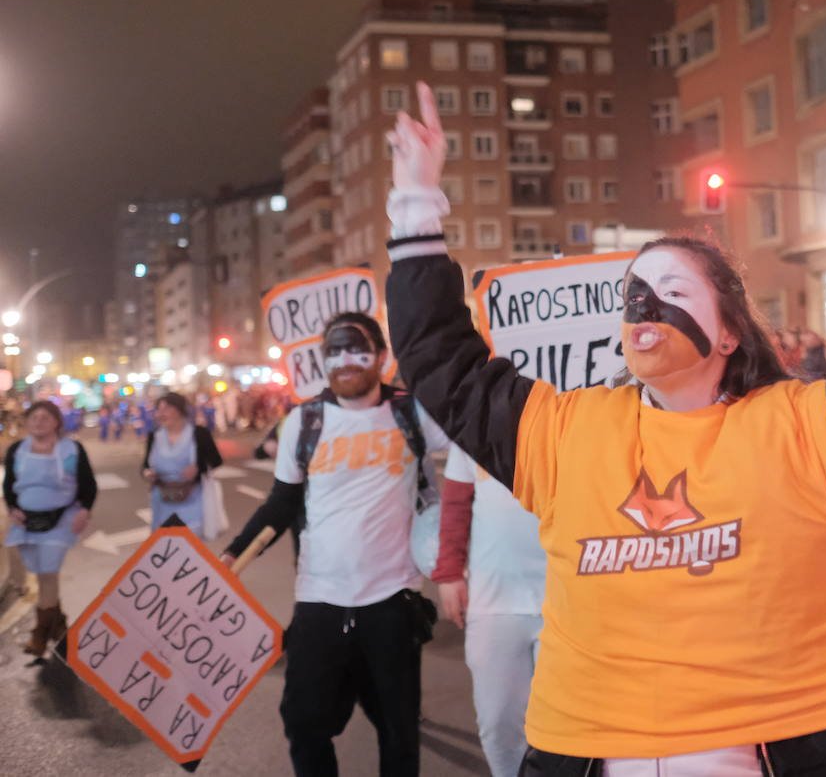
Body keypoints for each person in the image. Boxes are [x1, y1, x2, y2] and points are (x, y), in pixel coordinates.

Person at [382, 12, 826, 775]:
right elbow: (443, 361)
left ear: (729, 333)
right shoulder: (567, 429)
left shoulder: (808, 426)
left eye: (670, 287)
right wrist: (415, 201)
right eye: (632, 291)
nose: (642, 304)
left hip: (786, 750)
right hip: (597, 750)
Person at [221, 312, 452, 777]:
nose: (346, 360)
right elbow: (281, 503)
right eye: (335, 351)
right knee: (304, 723)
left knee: (398, 731)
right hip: (319, 601)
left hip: (391, 601)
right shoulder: (302, 423)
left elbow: (473, 447)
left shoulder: (413, 414)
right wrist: (231, 555)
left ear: (382, 357)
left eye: (357, 348)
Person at [434, 448, 546, 777]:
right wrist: (450, 572)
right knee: (498, 721)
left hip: (565, 598)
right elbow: (456, 501)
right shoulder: (478, 418)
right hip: (494, 598)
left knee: (567, 722)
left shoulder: (575, 404)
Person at [3, 401, 97, 657]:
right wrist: (12, 508)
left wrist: (84, 510)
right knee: (42, 573)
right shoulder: (16, 450)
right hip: (27, 523)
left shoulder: (72, 449)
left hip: (61, 520)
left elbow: (88, 484)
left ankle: (39, 634)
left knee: (47, 573)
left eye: (44, 417)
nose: (38, 422)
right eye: (33, 417)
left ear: (56, 421)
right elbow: (9, 484)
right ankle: (59, 626)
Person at [141, 393, 222, 538]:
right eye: (158, 410)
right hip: (162, 500)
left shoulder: (199, 434)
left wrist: (198, 468)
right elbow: (145, 466)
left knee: (191, 546)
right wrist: (147, 473)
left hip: (192, 499)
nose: (160, 414)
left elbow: (216, 461)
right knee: (163, 545)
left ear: (179, 409)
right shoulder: (154, 436)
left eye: (166, 409)